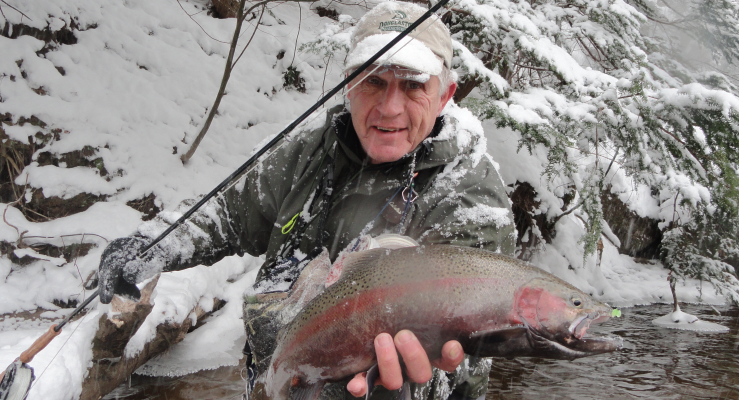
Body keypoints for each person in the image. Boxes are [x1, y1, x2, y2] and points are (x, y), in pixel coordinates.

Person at [96, 2, 516, 399]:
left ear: (445, 95)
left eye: (412, 85)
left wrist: (404, 387)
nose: (390, 107)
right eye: (374, 80)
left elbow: (467, 358)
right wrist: (156, 245)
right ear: (349, 84)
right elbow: (230, 214)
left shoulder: (471, 197)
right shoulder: (311, 147)